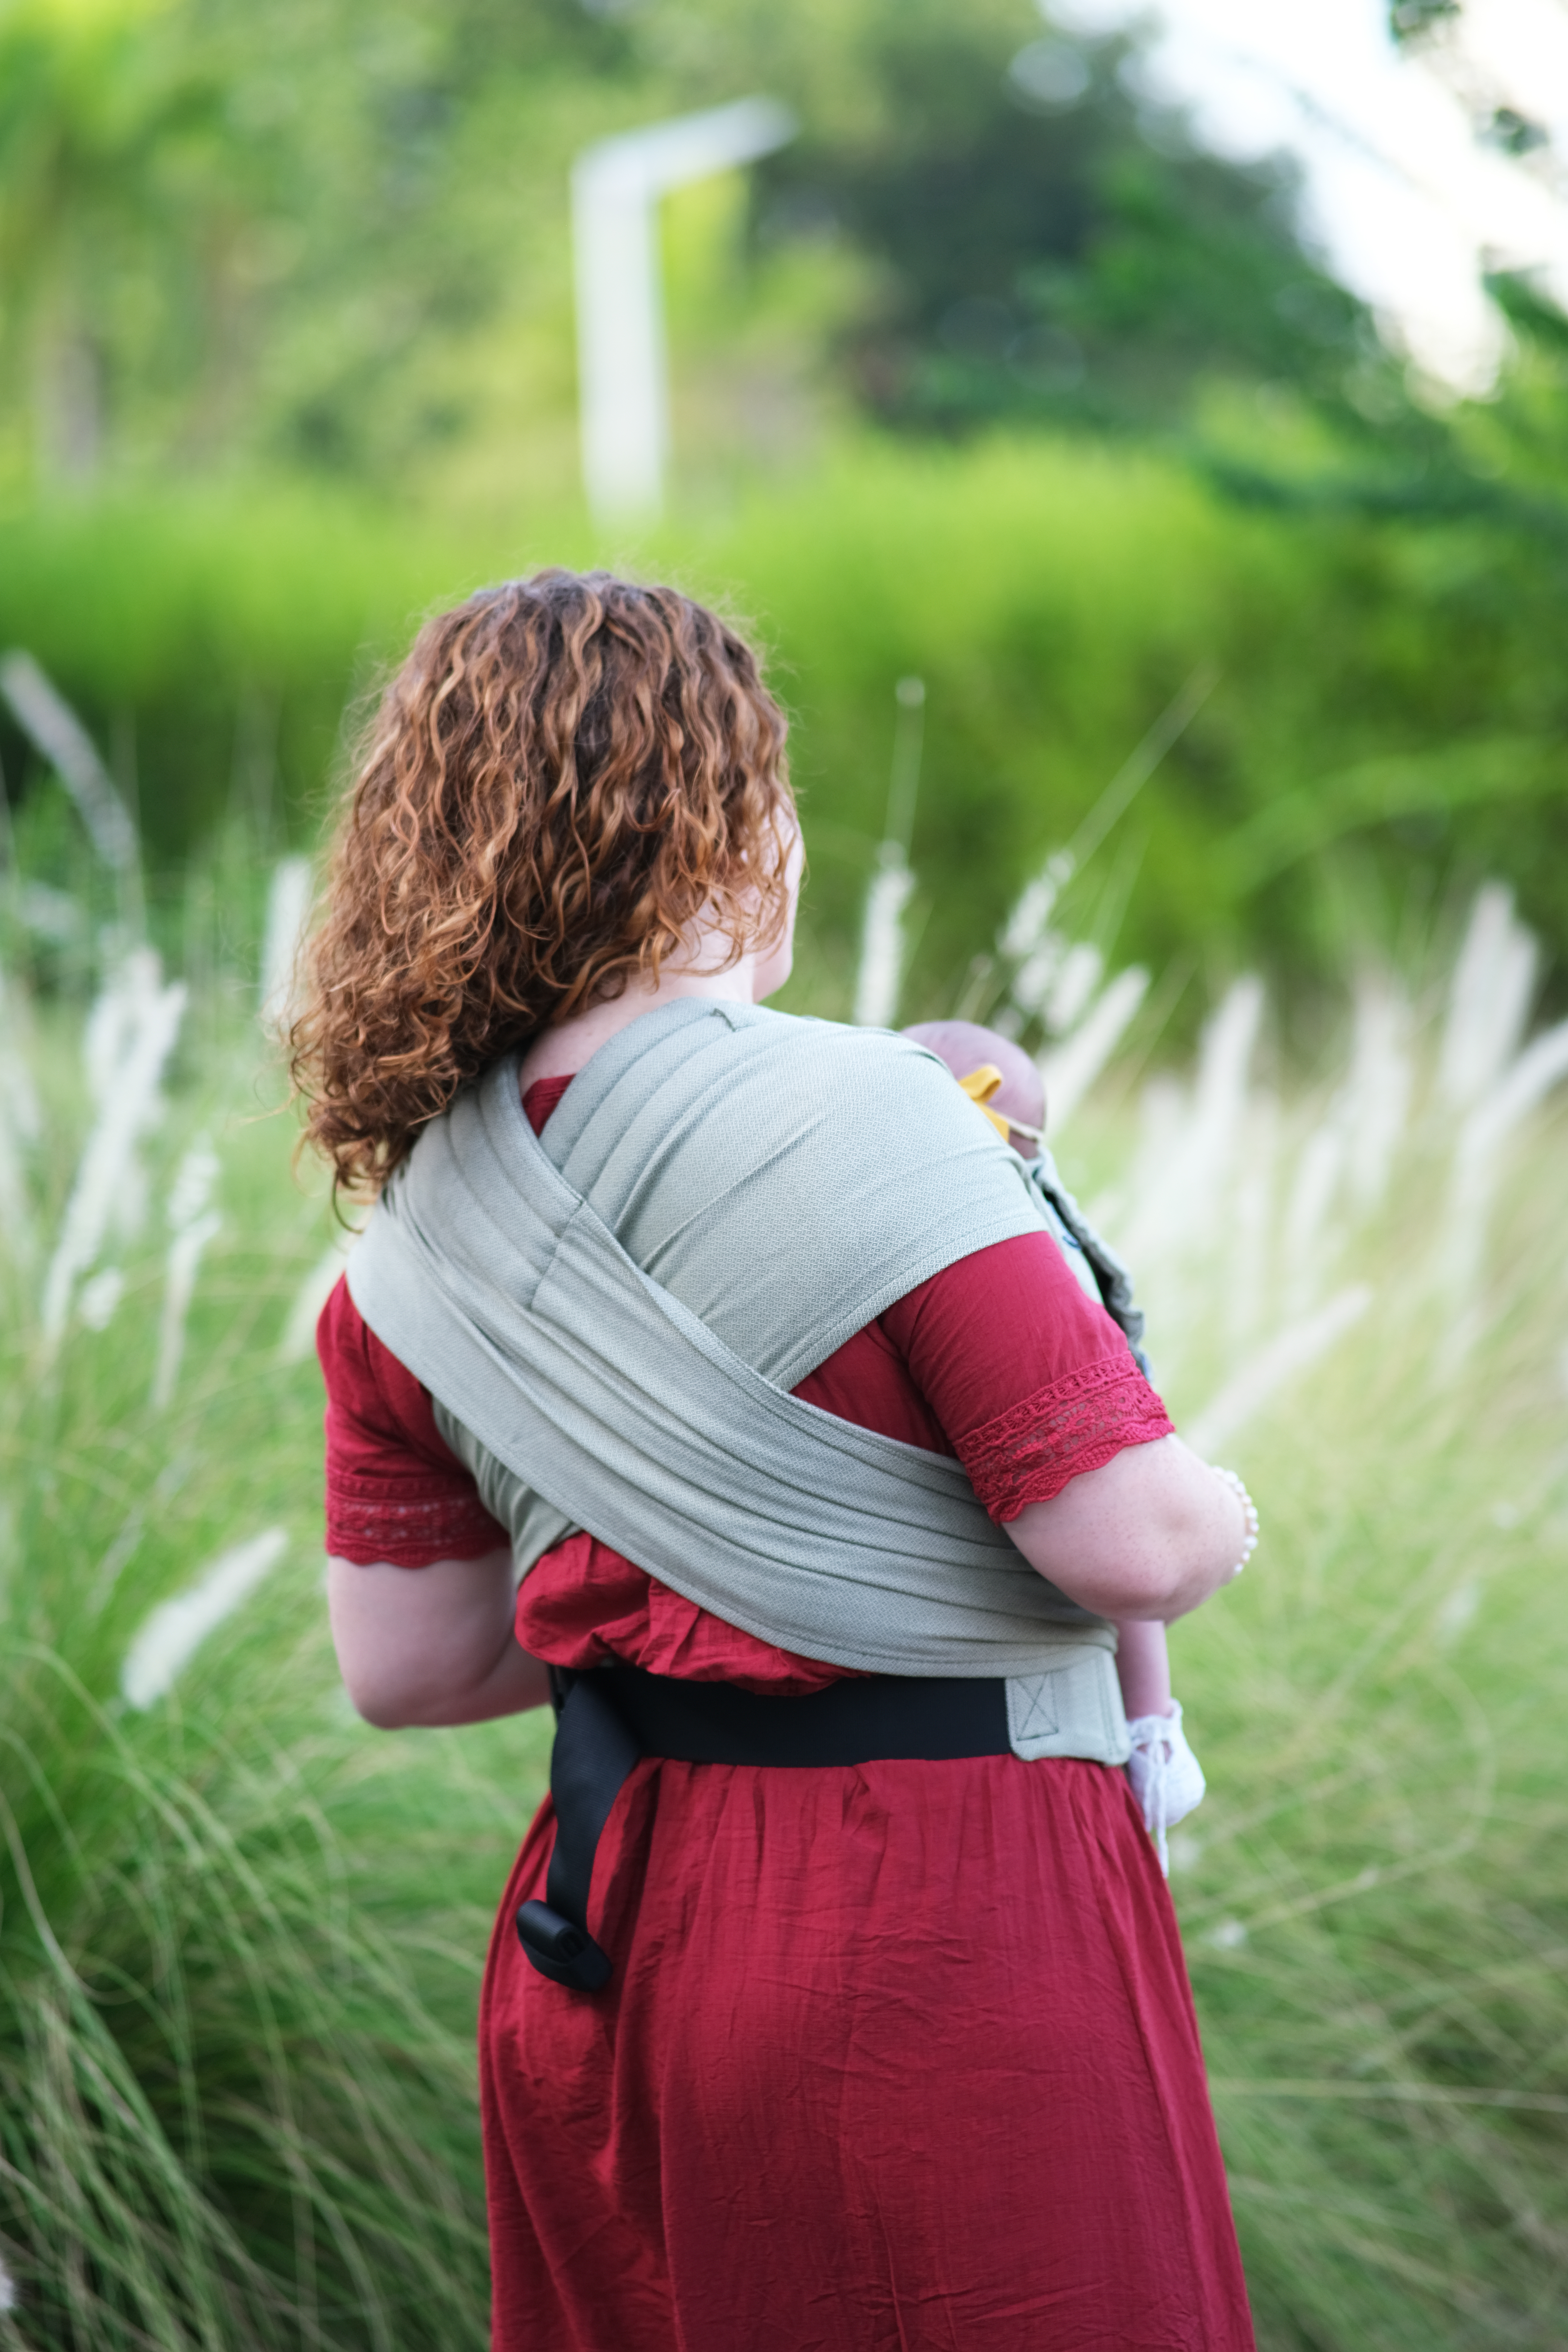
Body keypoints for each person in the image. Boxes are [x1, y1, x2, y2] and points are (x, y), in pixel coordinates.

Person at [294, 568, 1260, 2352]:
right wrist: (1225, 1505)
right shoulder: (881, 1118)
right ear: (728, 819)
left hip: (609, 1919)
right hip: (933, 1918)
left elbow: (412, 1664)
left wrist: (680, 1562)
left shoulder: (414, 1232)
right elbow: (1126, 1540)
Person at [902, 1019, 1225, 1868]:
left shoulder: (1020, 1220)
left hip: (1093, 1425)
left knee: (1127, 1585)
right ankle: (1150, 1728)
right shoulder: (961, 1200)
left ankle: (1153, 1731)